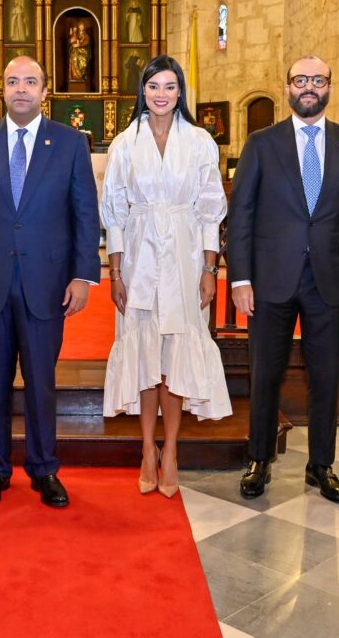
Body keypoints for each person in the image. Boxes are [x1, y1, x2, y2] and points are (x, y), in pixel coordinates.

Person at [0, 55, 100, 508]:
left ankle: (44, 468)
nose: (20, 89)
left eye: (30, 82)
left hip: (47, 283)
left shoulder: (71, 143)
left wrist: (81, 275)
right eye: (12, 80)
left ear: (44, 91)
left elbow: (84, 213)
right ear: (2, 88)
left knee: (41, 382)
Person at [226, 55, 339, 503]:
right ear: (288, 86)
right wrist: (240, 279)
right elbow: (243, 216)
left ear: (330, 86)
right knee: (265, 374)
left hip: (331, 280)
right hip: (271, 278)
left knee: (326, 376)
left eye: (317, 79)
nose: (308, 87)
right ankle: (259, 460)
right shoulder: (261, 142)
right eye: (300, 80)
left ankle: (322, 465)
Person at [101, 55, 231, 498]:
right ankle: (145, 448)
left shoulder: (198, 142)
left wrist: (211, 269)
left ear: (180, 93)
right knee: (145, 359)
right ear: (143, 91)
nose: (161, 94)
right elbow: (114, 212)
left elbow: (211, 210)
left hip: (184, 254)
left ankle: (171, 449)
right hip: (137, 257)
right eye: (153, 86)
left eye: (170, 86)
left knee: (174, 358)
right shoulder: (124, 143)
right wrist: (115, 272)